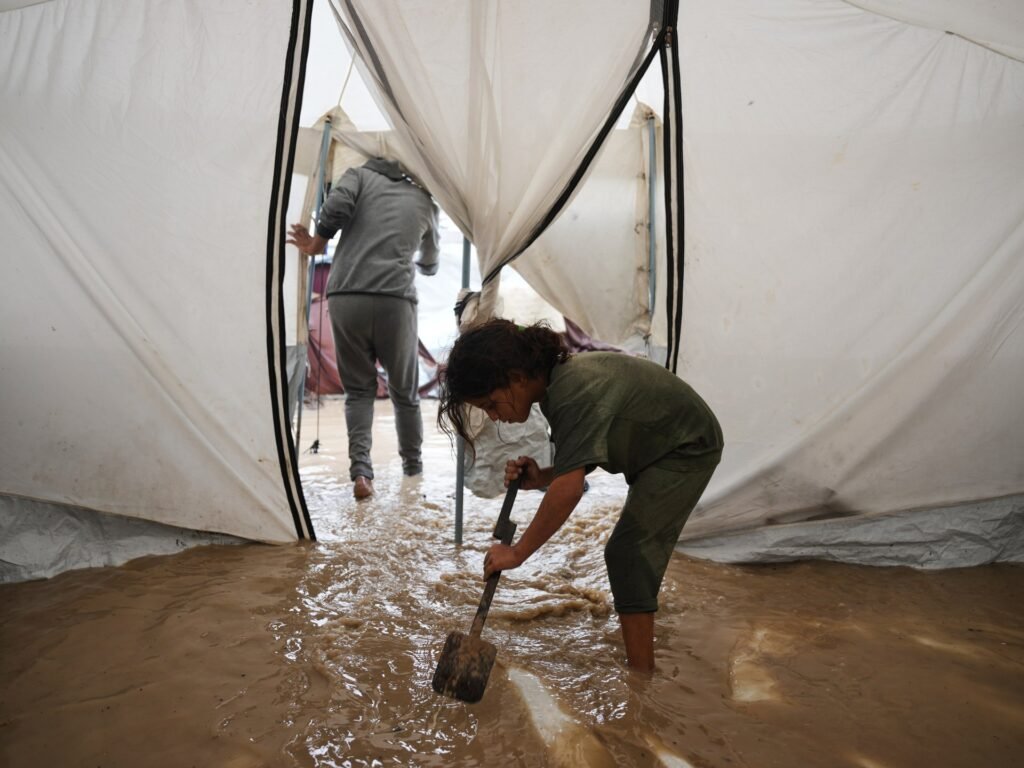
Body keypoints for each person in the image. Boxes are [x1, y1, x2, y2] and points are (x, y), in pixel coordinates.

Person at [437, 319, 723, 671]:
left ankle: (641, 679)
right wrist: (541, 476)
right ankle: (640, 659)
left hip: (685, 447)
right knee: (629, 553)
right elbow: (584, 453)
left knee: (628, 554)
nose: (494, 417)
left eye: (491, 404)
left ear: (516, 377)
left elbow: (569, 490)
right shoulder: (557, 387)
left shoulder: (572, 391)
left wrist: (517, 552)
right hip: (660, 445)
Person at [288, 157, 440, 499]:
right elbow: (430, 263)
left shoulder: (358, 177)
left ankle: (361, 473)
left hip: (347, 296)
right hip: (395, 300)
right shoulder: (425, 201)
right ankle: (412, 472)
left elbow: (336, 204)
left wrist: (317, 244)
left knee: (358, 392)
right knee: (405, 394)